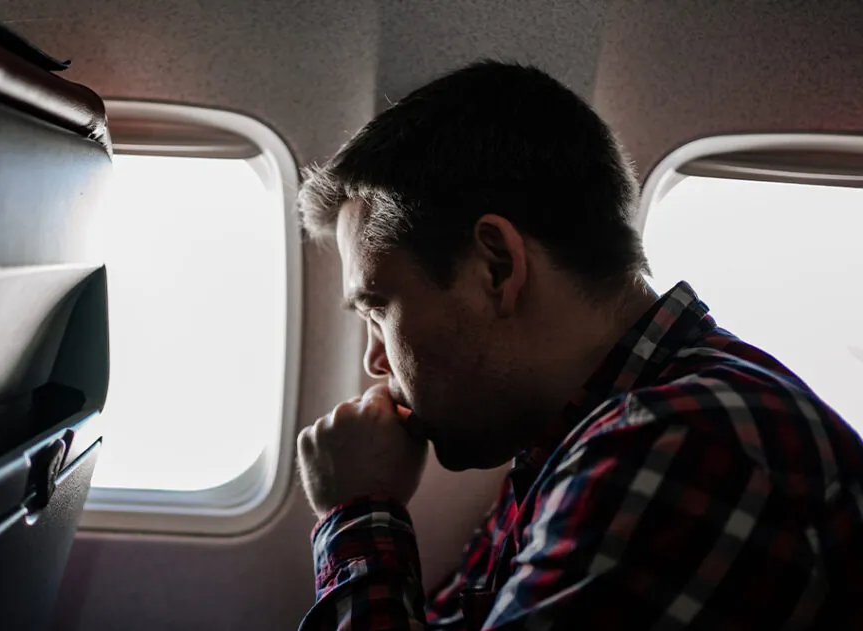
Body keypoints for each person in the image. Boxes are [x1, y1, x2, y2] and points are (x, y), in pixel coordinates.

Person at [294, 60, 863, 630]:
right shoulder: (573, 437)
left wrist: (358, 510)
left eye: (377, 309)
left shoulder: (674, 447)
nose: (374, 360)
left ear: (496, 267)